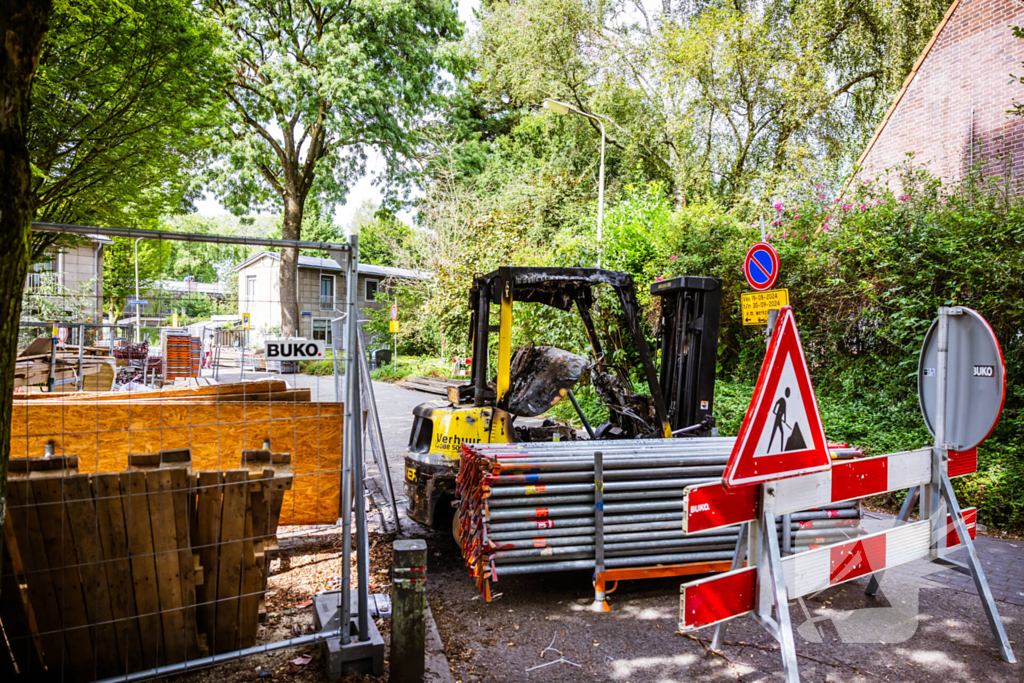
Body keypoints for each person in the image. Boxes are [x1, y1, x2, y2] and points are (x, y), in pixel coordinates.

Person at [769, 387, 790, 453]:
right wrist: (774, 411)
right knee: (773, 434)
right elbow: (776, 403)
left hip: (780, 419)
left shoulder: (785, 402)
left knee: (782, 433)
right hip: (777, 419)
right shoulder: (782, 399)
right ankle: (768, 450)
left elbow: (785, 412)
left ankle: (781, 451)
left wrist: (785, 420)